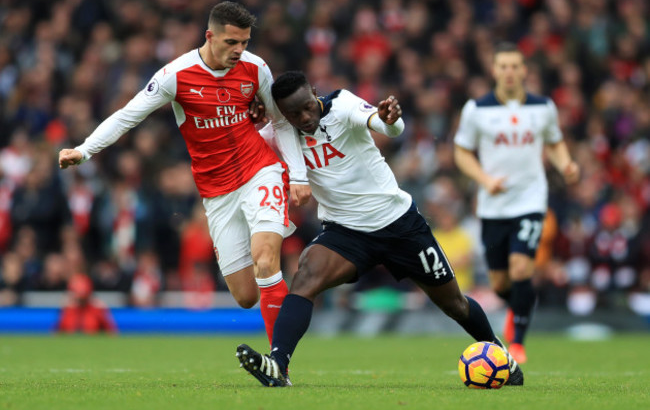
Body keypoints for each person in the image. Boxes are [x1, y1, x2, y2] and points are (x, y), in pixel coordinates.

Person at [235, 71, 523, 387]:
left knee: (454, 303)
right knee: (305, 277)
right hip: (346, 231)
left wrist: (390, 119)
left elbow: (386, 124)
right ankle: (278, 366)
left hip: (399, 225)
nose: (304, 117)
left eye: (307, 107)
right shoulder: (282, 133)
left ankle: (501, 357)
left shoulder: (342, 105)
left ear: (314, 92)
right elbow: (241, 147)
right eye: (293, 114)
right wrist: (247, 119)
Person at [58, 2, 311, 345]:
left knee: (266, 260)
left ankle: (279, 362)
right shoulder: (176, 75)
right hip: (217, 192)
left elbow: (280, 122)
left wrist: (297, 176)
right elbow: (127, 115)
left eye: (245, 43)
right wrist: (84, 150)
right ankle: (279, 305)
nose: (239, 50)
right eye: (231, 42)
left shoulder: (256, 69)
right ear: (210, 36)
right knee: (246, 296)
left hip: (260, 171)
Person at [453, 42, 580, 364]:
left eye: (515, 66)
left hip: (530, 199)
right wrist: (485, 180)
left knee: (522, 266)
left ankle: (518, 341)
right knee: (499, 282)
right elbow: (461, 152)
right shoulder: (477, 109)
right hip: (493, 204)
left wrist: (566, 164)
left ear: (524, 71)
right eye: (503, 66)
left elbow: (554, 143)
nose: (509, 72)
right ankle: (516, 307)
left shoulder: (543, 107)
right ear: (494, 70)